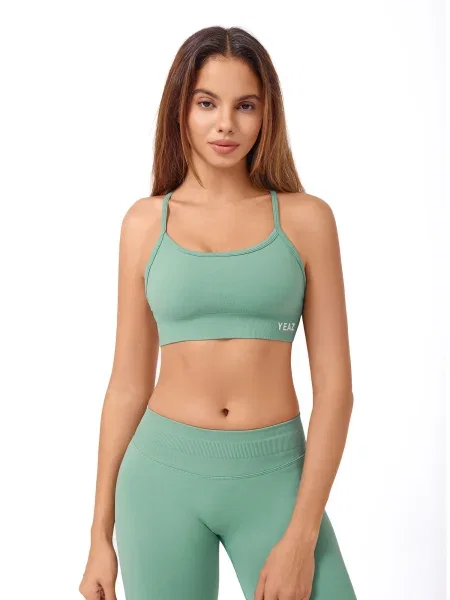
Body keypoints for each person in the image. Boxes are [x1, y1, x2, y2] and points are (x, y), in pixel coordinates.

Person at [79, 25, 358, 600]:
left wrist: (301, 538)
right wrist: (98, 535)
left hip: (275, 478)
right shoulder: (144, 224)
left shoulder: (306, 220)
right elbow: (127, 385)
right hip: (160, 480)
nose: (226, 123)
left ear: (266, 114)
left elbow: (336, 392)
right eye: (207, 103)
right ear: (180, 109)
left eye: (245, 105)